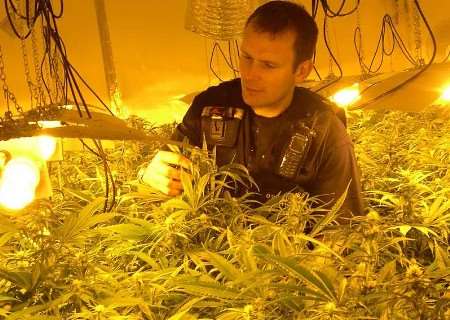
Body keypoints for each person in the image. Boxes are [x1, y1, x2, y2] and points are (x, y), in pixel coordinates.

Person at [140, 0, 364, 217]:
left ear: (301, 71)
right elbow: (161, 178)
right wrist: (149, 176)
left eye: (268, 65)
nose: (249, 74)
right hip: (212, 247)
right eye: (246, 57)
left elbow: (340, 230)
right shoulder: (209, 107)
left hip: (289, 251)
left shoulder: (325, 131)